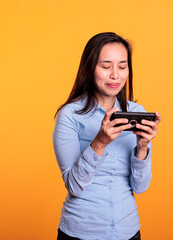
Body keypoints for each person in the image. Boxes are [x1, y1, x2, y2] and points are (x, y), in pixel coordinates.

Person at [53, 32, 161, 240]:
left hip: (127, 230)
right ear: (89, 68)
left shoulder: (136, 112)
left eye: (122, 66)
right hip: (81, 232)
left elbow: (140, 187)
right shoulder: (69, 115)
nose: (115, 75)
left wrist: (142, 147)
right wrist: (99, 142)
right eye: (106, 66)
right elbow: (74, 186)